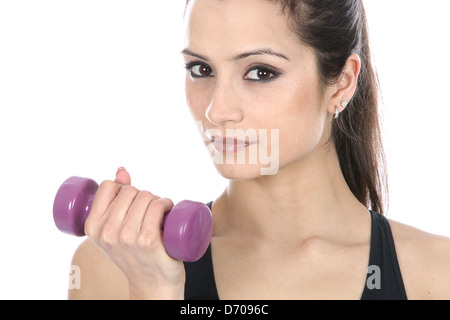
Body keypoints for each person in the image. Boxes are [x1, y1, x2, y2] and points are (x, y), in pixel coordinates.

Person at [69, 0, 450, 300]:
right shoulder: (111, 269)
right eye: (201, 69)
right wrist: (155, 292)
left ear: (342, 83)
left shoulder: (437, 276)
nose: (216, 110)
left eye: (260, 72)